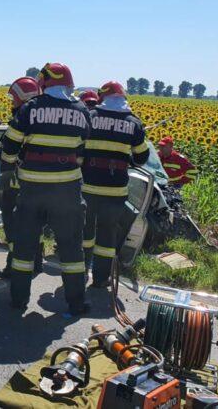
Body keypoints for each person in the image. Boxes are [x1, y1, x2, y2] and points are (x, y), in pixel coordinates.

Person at [0, 62, 91, 315]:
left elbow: (10, 145)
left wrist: (7, 170)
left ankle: (18, 301)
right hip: (67, 193)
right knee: (72, 249)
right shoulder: (81, 111)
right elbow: (83, 150)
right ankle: (76, 303)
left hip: (32, 191)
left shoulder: (30, 109)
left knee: (24, 248)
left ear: (44, 82)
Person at [81, 81, 149, 288]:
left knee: (84, 233)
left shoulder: (90, 117)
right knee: (107, 236)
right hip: (115, 191)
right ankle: (101, 279)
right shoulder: (134, 123)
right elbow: (141, 158)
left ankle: (80, 272)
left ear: (103, 97)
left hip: (87, 188)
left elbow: (77, 147)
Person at [0, 76, 43, 279]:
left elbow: (10, 153)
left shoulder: (21, 119)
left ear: (22, 98)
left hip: (15, 180)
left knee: (12, 224)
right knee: (35, 224)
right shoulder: (41, 119)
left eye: (14, 99)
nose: (12, 103)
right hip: (36, 184)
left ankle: (14, 265)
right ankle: (36, 262)